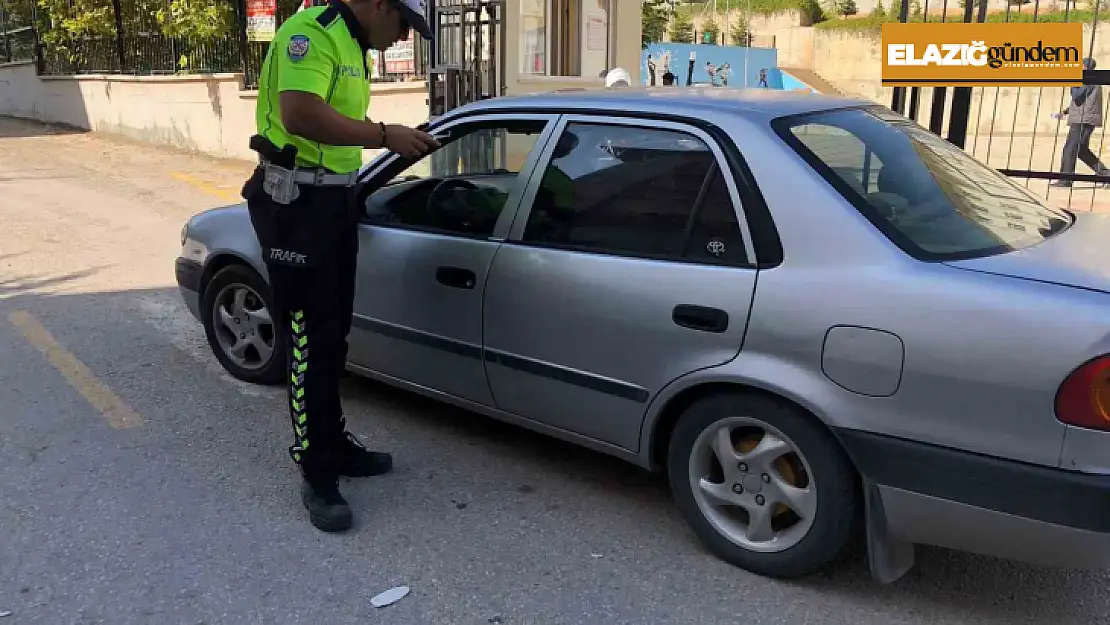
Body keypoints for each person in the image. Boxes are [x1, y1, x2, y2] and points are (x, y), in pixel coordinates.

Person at [240, 0, 440, 533]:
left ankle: (334, 441)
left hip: (334, 203)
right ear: (377, 5)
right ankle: (317, 471)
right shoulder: (312, 33)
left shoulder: (353, 43)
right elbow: (299, 113)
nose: (404, 38)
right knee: (307, 339)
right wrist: (383, 135)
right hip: (295, 206)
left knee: (334, 336)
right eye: (403, 24)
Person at [1052, 57, 1109, 188]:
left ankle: (1065, 179)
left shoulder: (1086, 79)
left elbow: (1077, 96)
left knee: (1070, 149)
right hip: (1086, 118)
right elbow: (1082, 100)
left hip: (1082, 120)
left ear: (1085, 67)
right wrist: (1065, 112)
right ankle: (1106, 175)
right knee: (1081, 150)